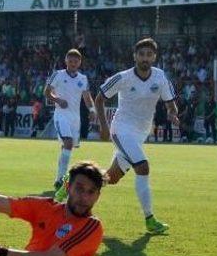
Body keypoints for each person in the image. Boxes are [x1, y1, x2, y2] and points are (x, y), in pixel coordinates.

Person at [58, 38, 179, 234]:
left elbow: (170, 102)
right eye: (141, 54)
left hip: (140, 133)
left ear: (154, 57)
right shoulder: (123, 77)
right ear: (135, 56)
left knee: (110, 178)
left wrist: (173, 113)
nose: (145, 58)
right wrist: (104, 126)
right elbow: (99, 98)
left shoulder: (160, 77)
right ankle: (150, 219)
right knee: (143, 166)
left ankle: (69, 182)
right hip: (121, 129)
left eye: (149, 55)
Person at [44, 49, 96, 189]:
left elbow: (87, 96)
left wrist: (92, 110)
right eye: (70, 61)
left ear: (79, 62)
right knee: (68, 142)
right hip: (61, 115)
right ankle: (60, 180)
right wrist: (58, 100)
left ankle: (59, 178)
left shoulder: (82, 78)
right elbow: (47, 92)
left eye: (76, 61)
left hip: (75, 118)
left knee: (67, 147)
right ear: (66, 61)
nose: (73, 63)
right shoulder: (58, 75)